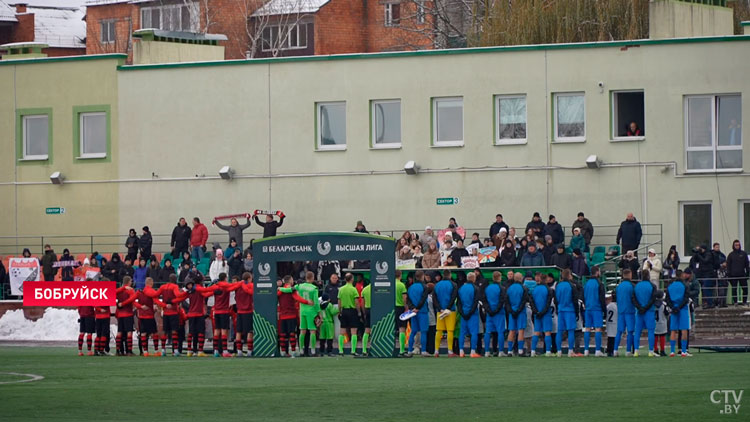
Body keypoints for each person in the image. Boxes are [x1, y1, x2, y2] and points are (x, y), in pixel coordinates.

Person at [145, 273, 185, 356]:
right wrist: (186, 294)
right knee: (174, 331)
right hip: (173, 312)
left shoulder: (163, 287)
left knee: (165, 331)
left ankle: (163, 350)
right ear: (175, 279)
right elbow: (178, 295)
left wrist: (163, 304)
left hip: (165, 312)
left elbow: (155, 295)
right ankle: (175, 351)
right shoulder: (174, 287)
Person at [182, 273, 216, 357]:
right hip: (199, 313)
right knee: (201, 332)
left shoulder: (189, 290)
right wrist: (215, 289)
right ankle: (200, 350)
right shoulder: (200, 289)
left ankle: (190, 350)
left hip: (191, 313)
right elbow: (206, 294)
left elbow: (181, 297)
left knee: (191, 332)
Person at [277, 275, 308, 357]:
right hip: (291, 314)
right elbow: (298, 298)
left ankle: (283, 351)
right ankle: (293, 351)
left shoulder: (280, 290)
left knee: (283, 334)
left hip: (282, 315)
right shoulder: (291, 290)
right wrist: (307, 302)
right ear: (290, 281)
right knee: (292, 334)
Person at [211, 273, 240, 357]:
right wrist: (241, 282)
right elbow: (234, 287)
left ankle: (216, 350)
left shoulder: (216, 286)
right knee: (224, 331)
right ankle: (224, 350)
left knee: (216, 331)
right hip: (224, 311)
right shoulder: (226, 287)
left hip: (216, 311)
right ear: (225, 278)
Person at [135, 277, 165, 356]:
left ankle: (145, 352)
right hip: (149, 316)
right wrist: (164, 306)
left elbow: (133, 301)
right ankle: (156, 351)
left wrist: (140, 306)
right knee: (154, 333)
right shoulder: (151, 292)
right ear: (151, 283)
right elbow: (156, 301)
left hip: (141, 316)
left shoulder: (139, 292)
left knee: (143, 334)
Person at [295, 271, 321, 356]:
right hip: (311, 311)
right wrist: (319, 312)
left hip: (302, 311)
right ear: (312, 278)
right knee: (312, 331)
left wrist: (281, 288)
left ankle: (301, 351)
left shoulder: (300, 286)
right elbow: (316, 302)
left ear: (306, 278)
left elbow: (290, 289)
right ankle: (313, 351)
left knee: (302, 331)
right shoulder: (314, 288)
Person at [433, 270, 458, 357]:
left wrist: (440, 309)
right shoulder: (453, 285)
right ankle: (450, 351)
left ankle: (436, 351)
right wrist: (448, 308)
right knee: (450, 331)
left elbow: (434, 299)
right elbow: (453, 297)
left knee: (439, 330)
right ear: (450, 275)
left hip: (440, 311)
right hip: (450, 311)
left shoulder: (437, 285)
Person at [582, 266, 606, 357]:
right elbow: (602, 298)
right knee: (598, 329)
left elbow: (583, 296)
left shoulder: (586, 283)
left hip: (588, 308)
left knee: (587, 328)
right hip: (596, 308)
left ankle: (586, 350)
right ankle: (597, 350)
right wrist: (604, 310)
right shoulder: (599, 283)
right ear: (597, 272)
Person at [554, 269, 578, 357]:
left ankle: (559, 351)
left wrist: (557, 309)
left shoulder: (558, 286)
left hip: (561, 310)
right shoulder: (572, 286)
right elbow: (575, 300)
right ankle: (570, 351)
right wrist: (577, 312)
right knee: (571, 331)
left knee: (559, 331)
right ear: (569, 275)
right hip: (570, 310)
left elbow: (555, 299)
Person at [666, 275, 691, 357]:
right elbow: (686, 298)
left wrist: (673, 307)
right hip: (683, 309)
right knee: (684, 329)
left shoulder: (670, 287)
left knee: (673, 330)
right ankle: (684, 351)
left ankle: (672, 351)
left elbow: (667, 299)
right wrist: (679, 307)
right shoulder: (684, 285)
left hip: (674, 309)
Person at [613, 269, 636, 357]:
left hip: (621, 311)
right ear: (630, 275)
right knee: (630, 331)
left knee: (619, 331)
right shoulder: (631, 286)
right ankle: (628, 351)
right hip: (630, 311)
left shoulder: (619, 286)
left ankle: (615, 350)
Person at [457, 272, 480, 358]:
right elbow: (475, 302)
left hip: (463, 313)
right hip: (472, 314)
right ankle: (472, 351)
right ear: (474, 279)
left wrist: (462, 313)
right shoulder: (475, 288)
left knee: (462, 333)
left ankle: (461, 351)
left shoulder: (461, 288)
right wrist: (470, 312)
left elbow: (458, 303)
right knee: (474, 333)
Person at [529, 271, 553, 357]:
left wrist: (536, 311)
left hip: (537, 314)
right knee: (547, 332)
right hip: (545, 314)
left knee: (536, 332)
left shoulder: (535, 289)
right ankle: (548, 351)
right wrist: (543, 312)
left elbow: (531, 301)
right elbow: (548, 302)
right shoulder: (548, 289)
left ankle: (532, 351)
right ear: (546, 279)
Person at [406, 270, 429, 357]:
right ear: (422, 276)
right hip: (422, 311)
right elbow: (423, 299)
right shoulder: (424, 287)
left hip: (413, 312)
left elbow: (408, 300)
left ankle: (409, 350)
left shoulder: (410, 287)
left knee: (413, 331)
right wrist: (418, 308)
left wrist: (413, 308)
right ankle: (423, 351)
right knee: (423, 331)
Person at [338, 273, 361, 356]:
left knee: (342, 331)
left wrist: (339, 311)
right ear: (351, 279)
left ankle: (340, 350)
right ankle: (353, 350)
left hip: (344, 311)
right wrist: (359, 312)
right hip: (352, 311)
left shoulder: (341, 289)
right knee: (353, 331)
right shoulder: (353, 289)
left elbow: (339, 302)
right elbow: (356, 302)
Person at [505, 272, 528, 356]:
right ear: (521, 278)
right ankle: (520, 350)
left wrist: (511, 311)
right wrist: (518, 310)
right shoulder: (523, 288)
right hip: (520, 312)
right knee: (521, 331)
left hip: (512, 312)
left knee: (511, 331)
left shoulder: (509, 288)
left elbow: (507, 301)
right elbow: (524, 301)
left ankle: (509, 351)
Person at [233, 272, 255, 357]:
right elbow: (251, 292)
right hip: (248, 311)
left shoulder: (237, 286)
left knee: (239, 331)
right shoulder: (249, 286)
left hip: (239, 311)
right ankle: (249, 350)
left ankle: (239, 351)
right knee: (249, 332)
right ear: (249, 278)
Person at [115, 276, 138, 356]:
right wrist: (124, 303)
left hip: (120, 314)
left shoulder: (119, 291)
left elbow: (112, 294)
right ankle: (129, 351)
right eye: (131, 281)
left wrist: (119, 304)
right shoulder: (130, 290)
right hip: (128, 313)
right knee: (129, 332)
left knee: (119, 332)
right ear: (129, 282)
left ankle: (118, 350)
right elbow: (132, 299)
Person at [690, 244, 715, 308]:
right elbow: (695, 260)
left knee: (706, 288)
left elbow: (705, 261)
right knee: (704, 288)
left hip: (709, 274)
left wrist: (698, 254)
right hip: (702, 274)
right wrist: (696, 253)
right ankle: (708, 303)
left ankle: (710, 303)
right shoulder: (701, 254)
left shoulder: (708, 254)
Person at [726, 240, 749, 306]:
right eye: (736, 245)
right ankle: (735, 302)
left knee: (745, 289)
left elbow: (747, 264)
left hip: (742, 275)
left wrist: (748, 273)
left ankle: (744, 301)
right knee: (734, 289)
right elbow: (728, 265)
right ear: (733, 246)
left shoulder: (744, 254)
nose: (737, 246)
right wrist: (729, 274)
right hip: (733, 275)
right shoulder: (731, 255)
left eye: (738, 245)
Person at [393, 270, 409, 356]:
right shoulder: (401, 285)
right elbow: (404, 298)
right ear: (400, 275)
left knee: (392, 329)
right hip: (400, 308)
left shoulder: (391, 284)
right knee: (402, 329)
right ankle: (402, 350)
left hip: (392, 308)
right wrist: (406, 307)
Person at [360, 280, 373, 356]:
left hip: (368, 309)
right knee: (375, 330)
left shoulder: (365, 289)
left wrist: (364, 312)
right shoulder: (377, 288)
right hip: (376, 309)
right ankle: (374, 348)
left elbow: (362, 302)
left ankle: (364, 349)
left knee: (367, 330)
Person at [654, 290, 668, 356]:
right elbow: (667, 313)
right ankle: (662, 350)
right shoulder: (664, 304)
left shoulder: (652, 304)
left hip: (654, 322)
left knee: (655, 336)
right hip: (662, 322)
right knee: (662, 336)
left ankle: (655, 349)